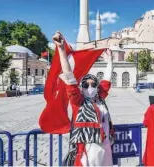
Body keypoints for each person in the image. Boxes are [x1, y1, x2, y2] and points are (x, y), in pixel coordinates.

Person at [41, 31, 114, 166]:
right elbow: (69, 76)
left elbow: (107, 80)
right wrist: (62, 50)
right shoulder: (78, 101)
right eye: (86, 85)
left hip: (105, 146)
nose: (90, 88)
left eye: (93, 84)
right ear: (81, 87)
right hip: (87, 149)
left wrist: (109, 60)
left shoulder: (99, 98)